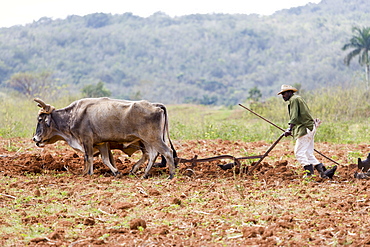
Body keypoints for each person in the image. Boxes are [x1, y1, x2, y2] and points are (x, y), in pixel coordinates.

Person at [277, 84, 337, 179]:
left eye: (284, 93)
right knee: (308, 153)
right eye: (282, 94)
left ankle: (309, 174)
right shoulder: (297, 98)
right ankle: (323, 171)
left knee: (299, 153)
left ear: (289, 92)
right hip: (310, 127)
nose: (283, 96)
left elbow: (294, 117)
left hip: (304, 129)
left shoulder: (294, 100)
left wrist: (290, 129)